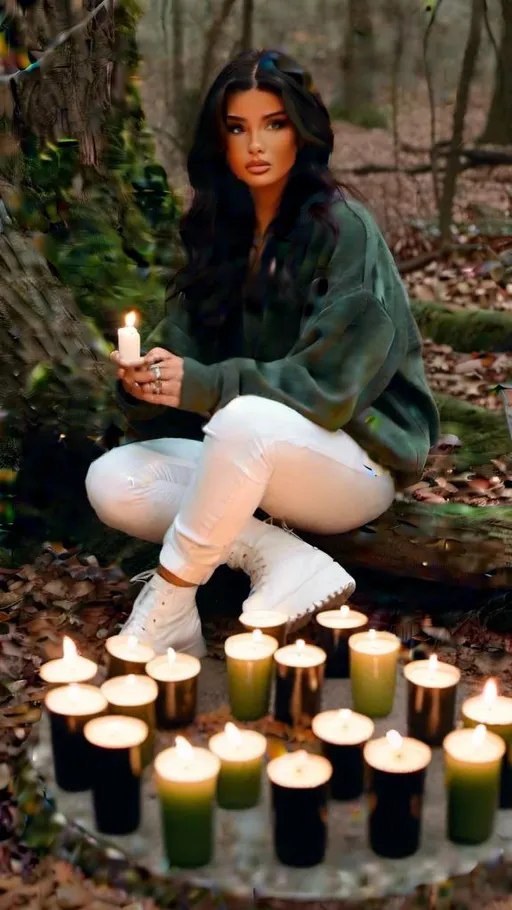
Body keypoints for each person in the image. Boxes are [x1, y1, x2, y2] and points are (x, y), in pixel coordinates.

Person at [85, 49, 439, 658]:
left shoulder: (344, 230)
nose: (256, 144)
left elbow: (326, 391)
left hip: (354, 462)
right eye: (237, 127)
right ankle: (287, 559)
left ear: (302, 132)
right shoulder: (219, 232)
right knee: (112, 480)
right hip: (250, 457)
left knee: (241, 416)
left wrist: (202, 384)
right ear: (218, 140)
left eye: (274, 124)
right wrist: (146, 382)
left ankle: (167, 605)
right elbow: (184, 361)